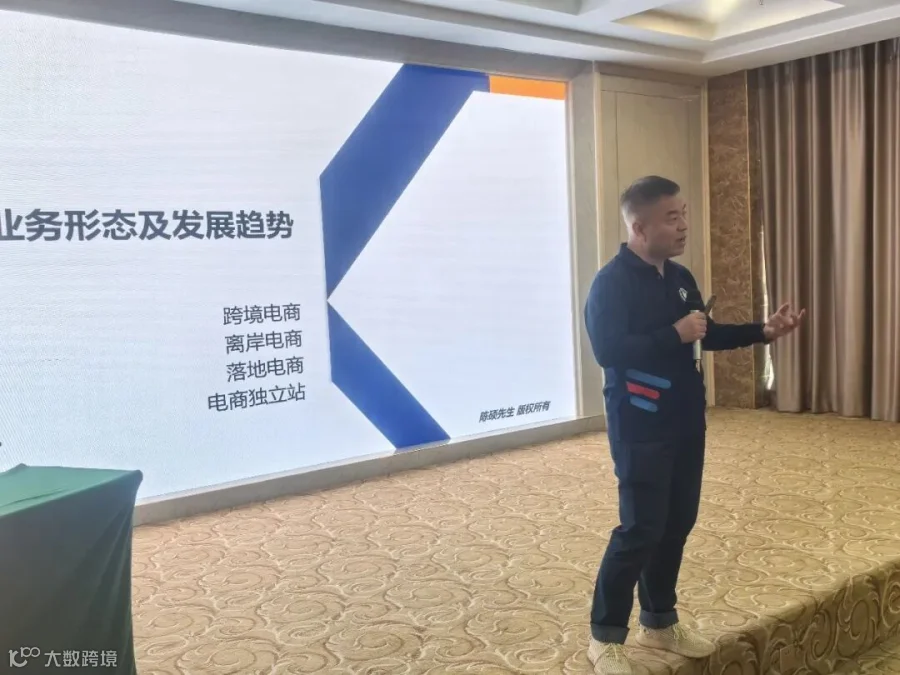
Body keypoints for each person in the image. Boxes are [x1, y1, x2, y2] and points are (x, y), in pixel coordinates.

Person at [583, 176, 804, 674]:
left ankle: (659, 622)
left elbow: (704, 333)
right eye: (672, 217)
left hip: (686, 420)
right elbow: (609, 351)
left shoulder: (681, 277)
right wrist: (674, 333)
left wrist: (763, 331)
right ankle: (605, 636)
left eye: (684, 213)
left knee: (676, 523)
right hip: (640, 424)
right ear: (639, 227)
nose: (684, 225)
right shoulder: (611, 283)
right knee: (640, 528)